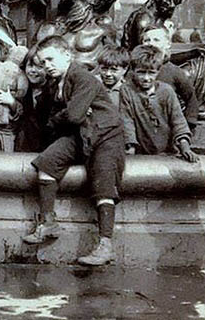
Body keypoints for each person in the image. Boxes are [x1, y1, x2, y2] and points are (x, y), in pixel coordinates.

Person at [22, 35, 127, 266]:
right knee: (46, 163)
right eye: (42, 62)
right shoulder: (53, 83)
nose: (46, 66)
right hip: (80, 133)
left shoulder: (83, 77)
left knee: (103, 182)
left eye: (50, 59)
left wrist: (62, 117)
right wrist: (62, 117)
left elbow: (74, 114)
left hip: (105, 135)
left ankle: (105, 244)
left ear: (67, 55)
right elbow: (57, 117)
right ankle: (48, 222)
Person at [118, 45, 199, 162]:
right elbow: (127, 120)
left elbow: (178, 120)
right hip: (141, 151)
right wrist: (130, 147)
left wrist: (185, 147)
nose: (146, 78)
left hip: (168, 150)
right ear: (133, 70)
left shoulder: (166, 91)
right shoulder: (127, 90)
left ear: (158, 71)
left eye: (151, 73)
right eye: (141, 72)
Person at [141, 27, 200, 129]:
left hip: (167, 125)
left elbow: (191, 98)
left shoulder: (174, 71)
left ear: (167, 44)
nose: (150, 43)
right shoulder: (134, 70)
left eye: (156, 40)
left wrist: (188, 123)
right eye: (146, 40)